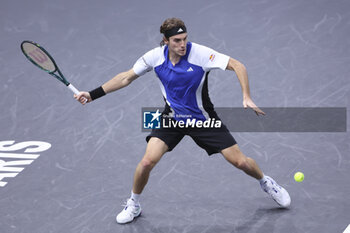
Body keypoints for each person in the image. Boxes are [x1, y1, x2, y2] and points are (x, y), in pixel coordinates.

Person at [75, 17, 291, 224]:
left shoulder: (200, 54)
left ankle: (266, 182)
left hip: (202, 119)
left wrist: (246, 96)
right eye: (177, 40)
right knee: (147, 162)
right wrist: (92, 95)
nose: (183, 44)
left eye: (185, 38)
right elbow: (125, 77)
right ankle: (134, 204)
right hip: (172, 118)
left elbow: (237, 65)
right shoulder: (154, 57)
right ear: (166, 41)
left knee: (240, 162)